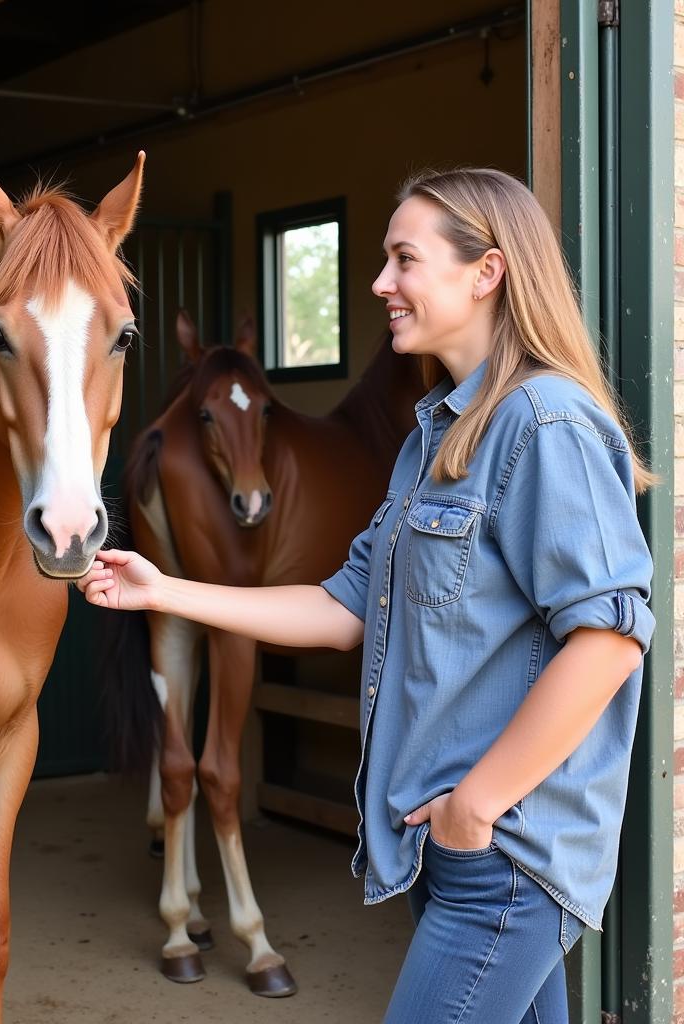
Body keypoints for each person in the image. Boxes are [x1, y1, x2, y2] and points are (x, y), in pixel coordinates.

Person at [77, 167, 655, 1024]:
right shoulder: (436, 439)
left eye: (403, 260)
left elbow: (609, 639)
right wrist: (169, 590)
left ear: (486, 272)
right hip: (448, 849)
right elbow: (346, 606)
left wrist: (478, 804)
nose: (380, 283)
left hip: (503, 858)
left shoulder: (546, 424)